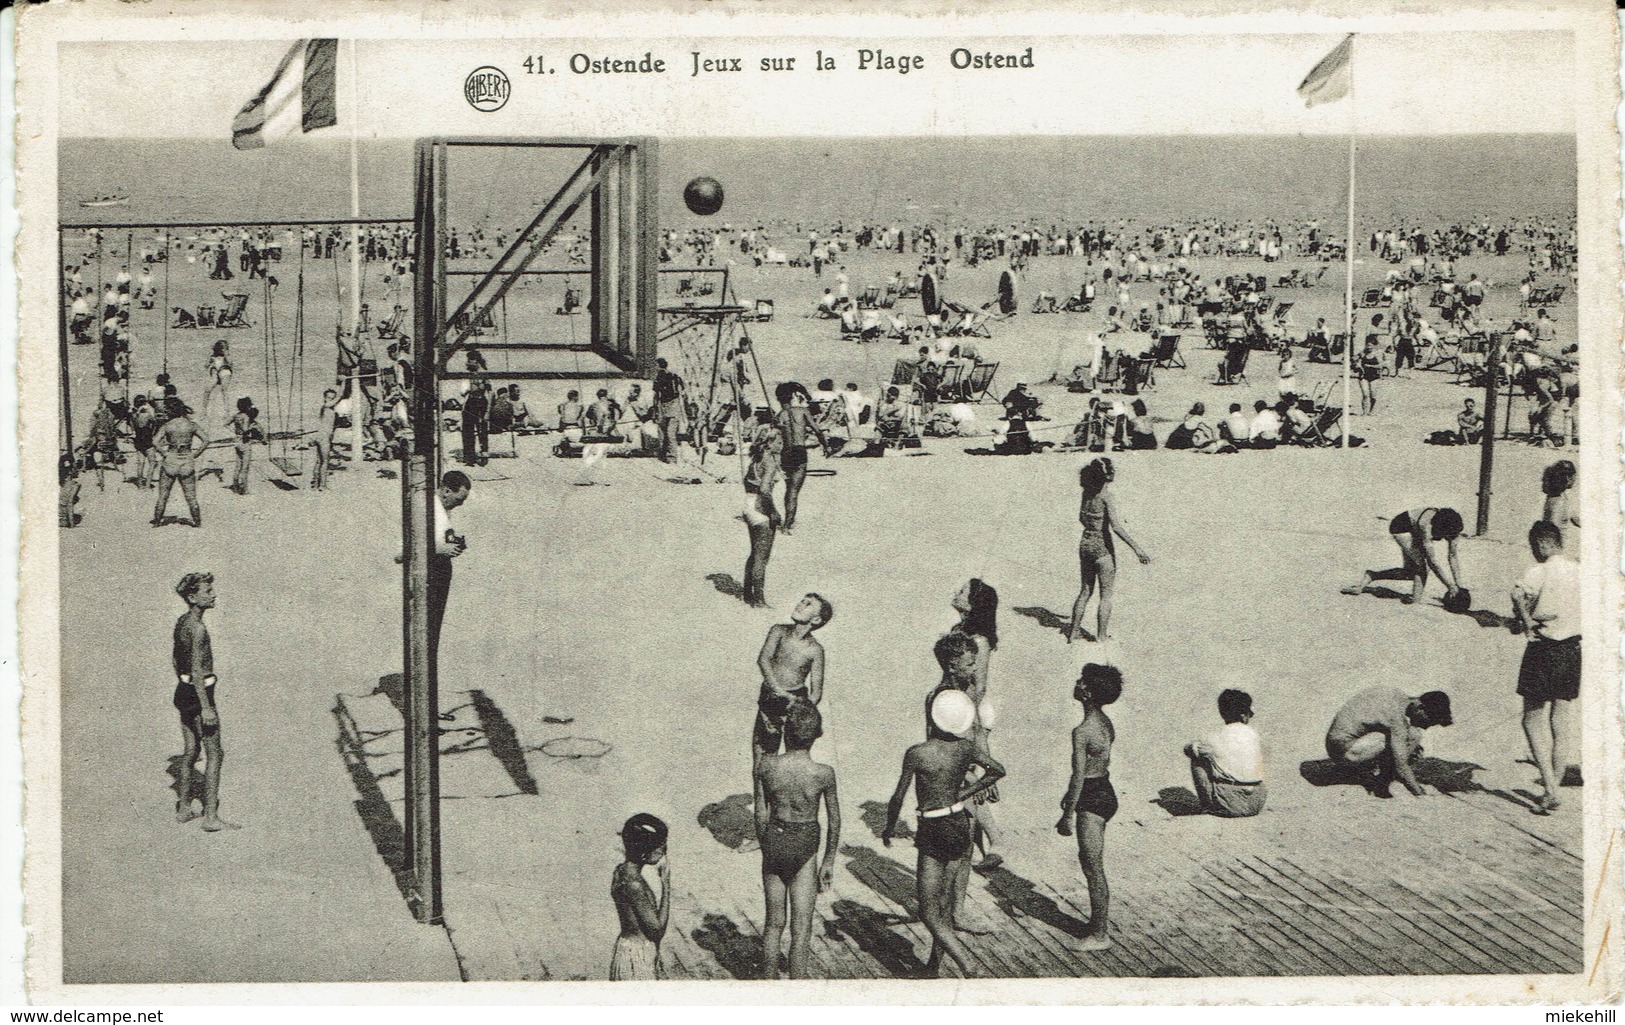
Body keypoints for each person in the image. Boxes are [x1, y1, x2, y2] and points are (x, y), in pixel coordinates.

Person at [882, 689, 1006, 978]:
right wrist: (964, 791)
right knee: (945, 904)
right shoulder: (965, 748)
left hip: (933, 828)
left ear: (932, 718)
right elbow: (997, 770)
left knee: (929, 911)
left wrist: (889, 828)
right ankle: (933, 966)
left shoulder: (917, 753)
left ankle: (966, 963)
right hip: (959, 823)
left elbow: (898, 798)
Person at [753, 703, 841, 979]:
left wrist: (766, 845)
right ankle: (797, 987)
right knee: (800, 928)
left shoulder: (766, 766)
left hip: (774, 842)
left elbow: (760, 812)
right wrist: (828, 860)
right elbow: (835, 820)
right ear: (818, 734)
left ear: (784, 733)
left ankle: (769, 985)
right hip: (806, 846)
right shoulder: (823, 773)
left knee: (773, 924)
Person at [1512, 520, 1582, 811]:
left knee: (1531, 717)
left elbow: (1517, 594)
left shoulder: (1539, 571)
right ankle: (1555, 780)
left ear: (1542, 543)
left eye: (1534, 547)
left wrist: (1527, 621)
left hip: (1543, 648)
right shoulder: (1580, 571)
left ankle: (1551, 788)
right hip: (1573, 649)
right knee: (1561, 721)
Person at [1057, 663, 1121, 951]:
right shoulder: (1105, 722)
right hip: (1105, 789)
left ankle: (1099, 934)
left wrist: (1066, 814)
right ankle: (1097, 924)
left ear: (1088, 693)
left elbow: (1078, 775)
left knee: (1092, 867)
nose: (1077, 683)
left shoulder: (1082, 731)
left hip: (1091, 797)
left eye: (1082, 681)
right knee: (1093, 865)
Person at [171, 572, 237, 831]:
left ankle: (184, 808)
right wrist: (207, 707)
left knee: (190, 751)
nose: (213, 595)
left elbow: (176, 660)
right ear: (192, 597)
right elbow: (199, 670)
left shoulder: (182, 622)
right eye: (207, 592)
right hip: (200, 695)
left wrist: (184, 682)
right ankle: (210, 817)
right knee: (215, 753)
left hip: (183, 691)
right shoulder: (198, 629)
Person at [950, 580, 1003, 871]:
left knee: (968, 779)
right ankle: (986, 846)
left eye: (962, 592)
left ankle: (995, 842)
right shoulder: (961, 630)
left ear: (972, 604)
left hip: (971, 711)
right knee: (968, 778)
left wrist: (958, 716)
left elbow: (979, 686)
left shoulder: (979, 640)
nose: (955, 593)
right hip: (959, 707)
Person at [1068, 457, 1152, 644]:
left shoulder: (1086, 494)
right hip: (1102, 546)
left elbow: (1081, 519)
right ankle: (1101, 636)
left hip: (1085, 543)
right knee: (1105, 596)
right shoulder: (1106, 497)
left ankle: (1073, 633)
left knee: (1084, 592)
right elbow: (1116, 527)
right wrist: (1137, 549)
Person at [1325, 688, 1453, 798]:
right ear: (1420, 707)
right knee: (1411, 738)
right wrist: (1419, 792)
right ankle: (1381, 782)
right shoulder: (1397, 717)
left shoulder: (1398, 697)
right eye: (1428, 722)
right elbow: (1401, 765)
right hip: (1345, 752)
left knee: (1408, 738)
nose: (1425, 727)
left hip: (1343, 744)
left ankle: (1370, 774)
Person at [752, 594, 832, 761]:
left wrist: (800, 712)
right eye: (802, 600)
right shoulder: (778, 631)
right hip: (770, 699)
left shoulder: (816, 650)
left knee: (795, 758)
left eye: (808, 604)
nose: (800, 604)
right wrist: (778, 690)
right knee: (763, 758)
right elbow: (763, 660)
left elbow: (816, 692)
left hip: (795, 703)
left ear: (816, 620)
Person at [1342, 506, 1466, 607]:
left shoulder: (1454, 529)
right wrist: (1450, 586)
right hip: (1401, 527)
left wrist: (1459, 585)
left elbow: (1453, 556)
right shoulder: (1426, 525)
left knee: (1409, 573)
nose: (1452, 538)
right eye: (1448, 535)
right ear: (1441, 528)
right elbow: (1432, 561)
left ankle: (1372, 575)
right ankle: (1415, 602)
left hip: (1415, 530)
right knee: (1422, 566)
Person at [1184, 689, 1267, 818]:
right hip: (1257, 802)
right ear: (1244, 714)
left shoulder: (1214, 737)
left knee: (1197, 759)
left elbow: (1187, 749)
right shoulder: (1254, 735)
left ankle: (1208, 807)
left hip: (1230, 804)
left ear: (1222, 713)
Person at [609, 813, 670, 980]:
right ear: (645, 851)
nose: (663, 851)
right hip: (638, 956)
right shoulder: (634, 884)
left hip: (627, 949)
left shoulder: (620, 871)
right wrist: (666, 885)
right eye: (661, 846)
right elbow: (657, 930)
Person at [429, 471, 472, 660]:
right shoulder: (428, 509)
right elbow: (404, 550)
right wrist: (440, 550)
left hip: (440, 571)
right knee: (429, 629)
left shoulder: (441, 509)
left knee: (435, 628)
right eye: (459, 499)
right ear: (446, 491)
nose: (461, 504)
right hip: (430, 574)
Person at [741, 410, 782, 607]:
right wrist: (774, 512)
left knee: (754, 553)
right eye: (779, 441)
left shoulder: (755, 460)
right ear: (770, 443)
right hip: (760, 508)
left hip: (748, 505)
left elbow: (747, 482)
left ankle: (747, 593)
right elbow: (765, 490)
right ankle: (759, 600)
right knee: (762, 557)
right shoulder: (770, 462)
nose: (781, 445)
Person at [775, 381, 827, 534]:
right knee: (794, 491)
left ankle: (785, 520)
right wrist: (826, 446)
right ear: (793, 396)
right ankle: (787, 525)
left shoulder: (779, 415)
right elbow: (817, 430)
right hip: (799, 451)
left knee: (788, 488)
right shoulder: (803, 411)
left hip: (786, 452)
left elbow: (775, 436)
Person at [152, 403, 208, 528]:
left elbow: (155, 441)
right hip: (186, 460)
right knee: (191, 497)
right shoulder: (191, 425)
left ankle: (156, 522)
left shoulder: (168, 426)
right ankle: (197, 522)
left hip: (170, 460)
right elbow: (206, 440)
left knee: (163, 496)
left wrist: (163, 453)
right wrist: (196, 454)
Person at [227, 397, 265, 495]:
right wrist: (251, 431)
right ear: (247, 406)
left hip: (236, 441)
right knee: (245, 467)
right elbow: (245, 429)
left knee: (237, 466)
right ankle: (245, 489)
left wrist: (234, 432)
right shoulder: (246, 416)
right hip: (244, 442)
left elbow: (226, 424)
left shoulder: (236, 415)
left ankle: (235, 487)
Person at [1540, 459, 1579, 551]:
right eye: (1574, 476)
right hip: (1555, 551)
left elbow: (1573, 516)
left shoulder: (1560, 496)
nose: (1575, 479)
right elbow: (1551, 530)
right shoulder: (1558, 502)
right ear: (1568, 478)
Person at [653, 359, 685, 463]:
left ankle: (669, 457)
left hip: (667, 406)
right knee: (668, 433)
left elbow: (656, 395)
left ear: (659, 367)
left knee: (666, 433)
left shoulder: (660, 378)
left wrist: (655, 409)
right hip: (671, 405)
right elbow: (682, 391)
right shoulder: (674, 376)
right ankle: (668, 456)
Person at [312, 389, 337, 490]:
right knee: (325, 461)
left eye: (332, 398)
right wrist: (344, 382)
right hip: (324, 437)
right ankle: (322, 485)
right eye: (328, 398)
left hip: (320, 436)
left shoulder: (327, 409)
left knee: (319, 461)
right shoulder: (326, 407)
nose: (331, 400)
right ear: (324, 398)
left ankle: (315, 485)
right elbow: (340, 396)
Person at [461, 379, 490, 466]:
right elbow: (462, 393)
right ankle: (469, 456)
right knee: (468, 431)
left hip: (482, 403)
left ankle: (483, 454)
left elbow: (490, 393)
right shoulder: (467, 379)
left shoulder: (485, 377)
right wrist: (469, 388)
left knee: (482, 431)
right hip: (470, 403)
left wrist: (488, 411)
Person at [1357, 335, 1382, 415]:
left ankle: (1371, 410)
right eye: (1367, 346)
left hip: (1374, 376)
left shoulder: (1377, 354)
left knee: (1373, 394)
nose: (1369, 347)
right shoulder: (1362, 354)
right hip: (1363, 375)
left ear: (1373, 346)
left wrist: (1370, 366)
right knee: (1365, 394)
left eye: (1371, 346)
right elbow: (1354, 360)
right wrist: (1357, 364)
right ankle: (1364, 412)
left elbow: (1381, 366)